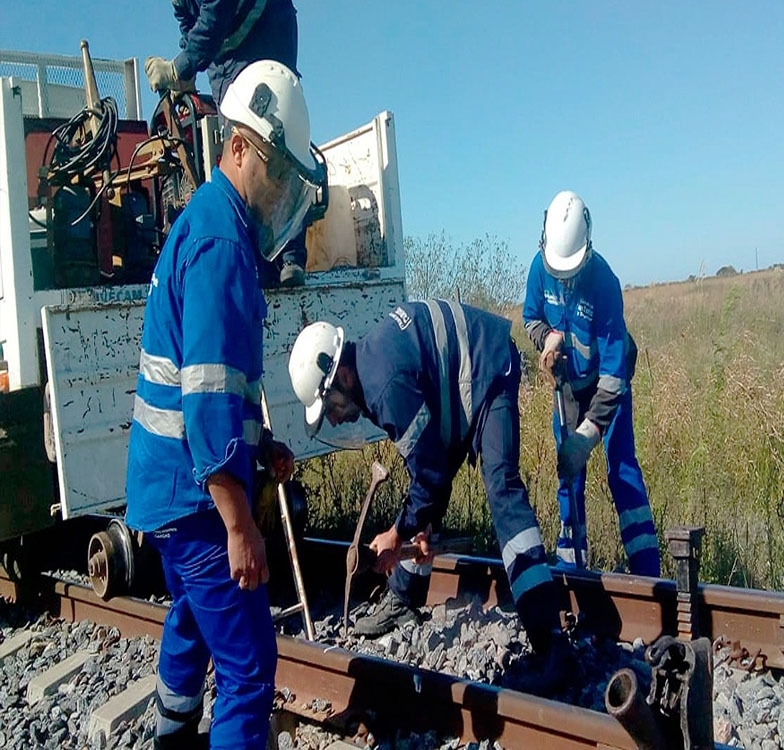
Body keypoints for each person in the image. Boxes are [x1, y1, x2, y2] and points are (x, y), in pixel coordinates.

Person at [125, 60, 325, 750]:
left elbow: (211, 389)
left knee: (189, 615)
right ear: (237, 147)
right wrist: (240, 524)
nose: (277, 196)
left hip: (169, 484)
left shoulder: (211, 225)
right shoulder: (219, 242)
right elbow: (207, 397)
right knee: (247, 668)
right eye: (275, 174)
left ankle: (173, 734)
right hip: (194, 494)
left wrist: (256, 449)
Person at [288, 300, 574, 693]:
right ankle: (405, 596)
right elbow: (427, 466)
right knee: (425, 496)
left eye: (330, 407)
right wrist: (413, 529)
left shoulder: (384, 387)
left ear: (341, 377)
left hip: (489, 368)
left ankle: (551, 643)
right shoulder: (371, 370)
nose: (334, 418)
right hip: (456, 387)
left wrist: (396, 534)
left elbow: (430, 475)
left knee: (502, 488)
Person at [522, 190, 661, 576]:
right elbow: (531, 317)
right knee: (569, 473)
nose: (563, 277)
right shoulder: (539, 267)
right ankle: (571, 568)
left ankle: (647, 571)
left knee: (622, 471)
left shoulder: (604, 282)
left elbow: (615, 375)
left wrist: (588, 435)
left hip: (606, 389)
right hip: (567, 386)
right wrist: (547, 338)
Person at [144, 0, 308, 286]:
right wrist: (189, 64)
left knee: (272, 134)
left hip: (265, 29)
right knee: (239, 147)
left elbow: (214, 15)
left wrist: (178, 68)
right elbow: (189, 21)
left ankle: (290, 255)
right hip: (225, 52)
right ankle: (258, 257)